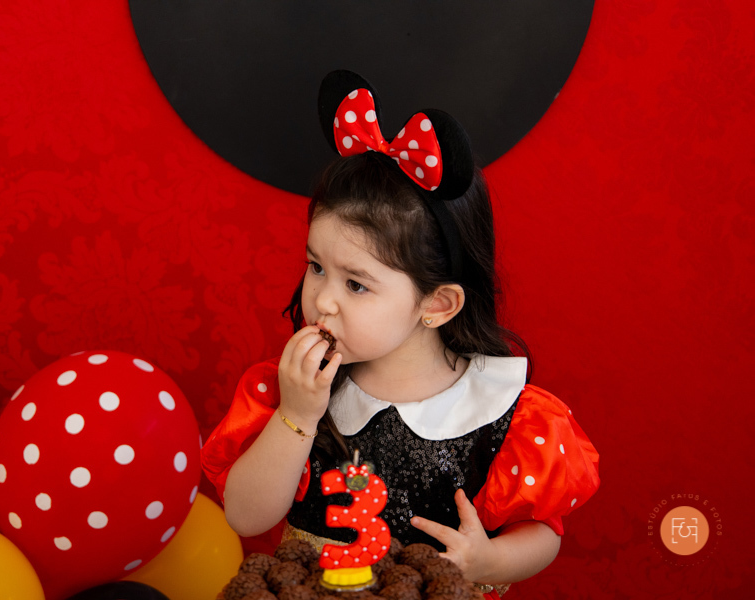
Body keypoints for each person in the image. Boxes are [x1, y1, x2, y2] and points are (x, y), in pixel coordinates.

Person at [201, 71, 600, 595]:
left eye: (357, 284)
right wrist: (296, 416)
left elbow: (544, 532)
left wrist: (491, 559)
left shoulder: (503, 414)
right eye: (316, 266)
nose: (323, 299)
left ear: (436, 304)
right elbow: (246, 517)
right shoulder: (299, 389)